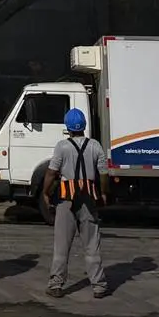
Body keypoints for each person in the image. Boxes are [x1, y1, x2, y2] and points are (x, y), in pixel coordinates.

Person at [41, 107, 109, 298]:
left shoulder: (62, 146)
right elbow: (104, 175)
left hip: (67, 200)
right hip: (89, 199)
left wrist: (46, 193)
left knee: (62, 244)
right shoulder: (95, 146)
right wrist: (103, 194)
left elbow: (52, 173)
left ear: (67, 127)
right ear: (84, 125)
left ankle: (56, 284)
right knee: (91, 244)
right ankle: (99, 285)